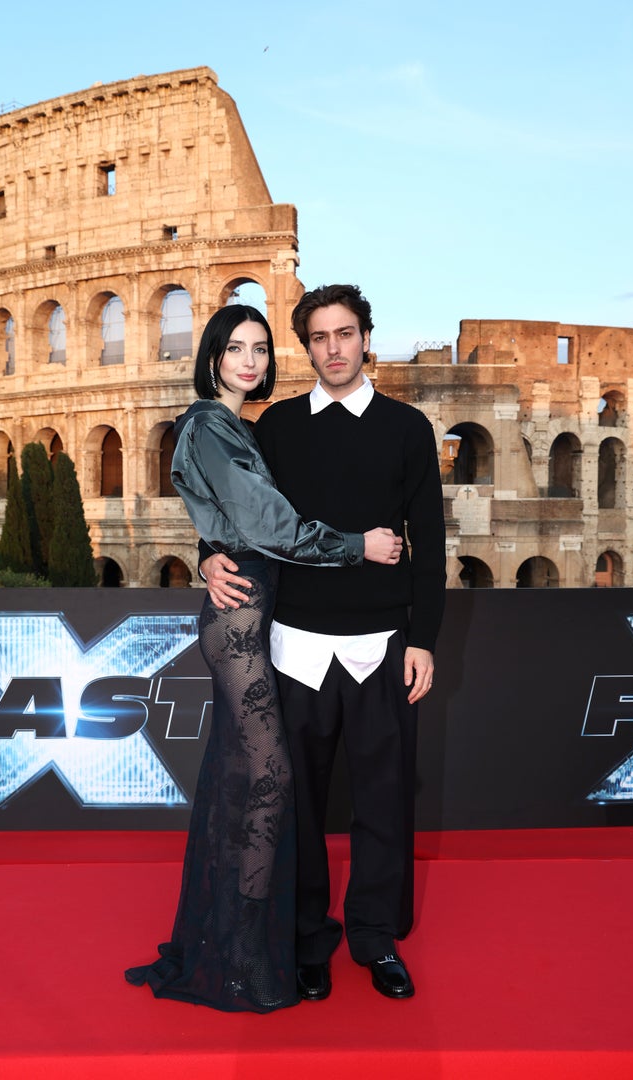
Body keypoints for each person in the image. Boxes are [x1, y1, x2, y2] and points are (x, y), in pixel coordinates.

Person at [125, 303, 402, 1013]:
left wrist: (206, 550)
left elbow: (223, 520)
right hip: (242, 622)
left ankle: (228, 945)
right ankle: (241, 960)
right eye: (234, 348)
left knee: (237, 784)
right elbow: (264, 524)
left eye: (259, 348)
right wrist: (357, 545)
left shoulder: (241, 427)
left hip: (256, 612)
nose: (248, 361)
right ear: (212, 355)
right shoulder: (207, 425)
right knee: (270, 779)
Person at [201, 284, 446, 1002]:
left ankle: (374, 939)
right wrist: (210, 554)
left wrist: (423, 638)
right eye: (319, 337)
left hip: (382, 644)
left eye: (345, 333)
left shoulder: (407, 429)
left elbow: (427, 542)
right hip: (295, 644)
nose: (333, 348)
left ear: (366, 338)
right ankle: (308, 939)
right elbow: (236, 509)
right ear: (305, 346)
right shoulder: (275, 428)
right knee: (297, 804)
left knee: (384, 798)